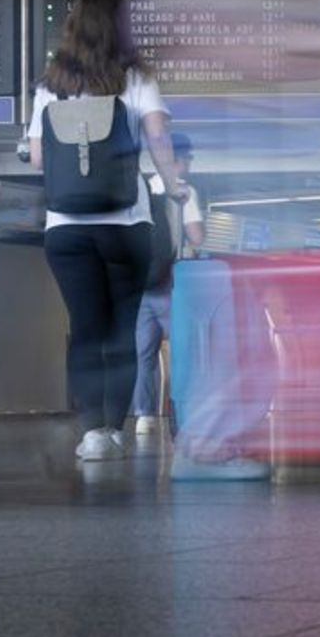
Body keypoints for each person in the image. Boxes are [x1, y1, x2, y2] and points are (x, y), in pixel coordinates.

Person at [25, 0, 190, 462]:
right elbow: (158, 139)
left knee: (84, 329)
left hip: (66, 227)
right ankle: (115, 430)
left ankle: (91, 433)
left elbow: (38, 158)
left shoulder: (51, 84)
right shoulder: (135, 78)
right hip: (125, 224)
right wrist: (173, 185)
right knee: (121, 331)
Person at [133, 134, 205, 437]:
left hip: (140, 286)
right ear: (178, 160)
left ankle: (144, 417)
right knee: (183, 350)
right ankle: (182, 413)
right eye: (188, 158)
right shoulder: (184, 191)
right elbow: (197, 238)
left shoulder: (142, 189)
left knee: (143, 356)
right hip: (170, 285)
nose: (190, 164)